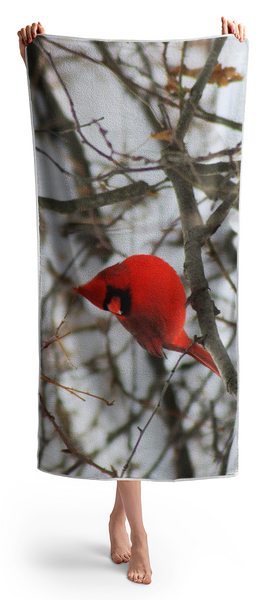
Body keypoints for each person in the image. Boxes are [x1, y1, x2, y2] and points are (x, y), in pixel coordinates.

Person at [17, 17, 246, 585]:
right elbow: (140, 324)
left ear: (119, 278)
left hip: (173, 311)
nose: (112, 308)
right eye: (110, 305)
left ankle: (120, 519)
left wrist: (231, 55)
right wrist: (38, 64)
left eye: (113, 299)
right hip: (167, 329)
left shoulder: (140, 266)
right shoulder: (123, 298)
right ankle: (138, 535)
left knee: (139, 444)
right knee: (135, 436)